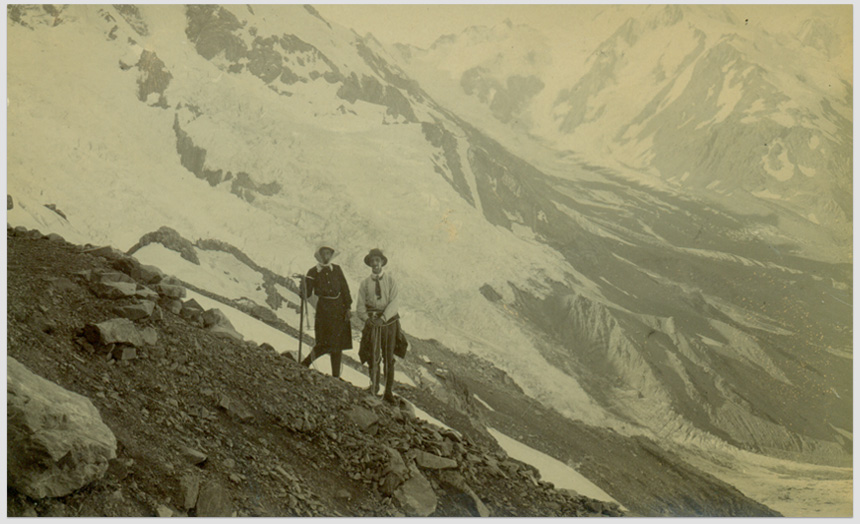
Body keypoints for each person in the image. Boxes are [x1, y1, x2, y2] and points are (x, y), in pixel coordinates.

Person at [300, 243, 353, 377]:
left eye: (328, 253)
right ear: (319, 255)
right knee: (323, 342)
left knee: (338, 344)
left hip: (339, 309)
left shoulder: (337, 269)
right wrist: (303, 285)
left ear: (331, 255)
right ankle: (305, 363)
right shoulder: (313, 272)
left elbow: (345, 288)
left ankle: (336, 376)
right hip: (324, 309)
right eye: (323, 253)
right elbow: (306, 294)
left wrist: (348, 307)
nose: (326, 256)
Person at [356, 248, 401, 404]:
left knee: (389, 358)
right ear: (369, 264)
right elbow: (360, 306)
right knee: (372, 356)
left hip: (389, 323)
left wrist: (384, 318)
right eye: (372, 261)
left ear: (382, 262)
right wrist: (367, 320)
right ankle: (374, 387)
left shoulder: (391, 281)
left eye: (377, 260)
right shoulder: (365, 284)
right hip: (372, 323)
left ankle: (388, 392)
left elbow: (394, 303)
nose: (375, 264)